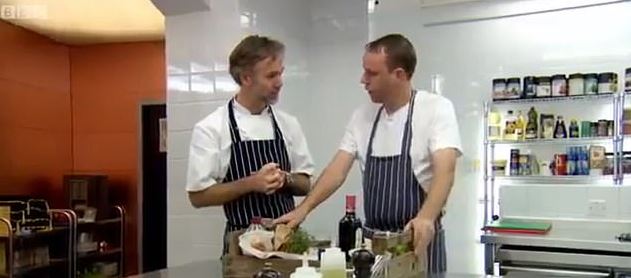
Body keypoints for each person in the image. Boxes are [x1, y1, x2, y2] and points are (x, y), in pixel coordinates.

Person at [274, 34, 461, 273]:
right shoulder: (362, 116)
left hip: (418, 242)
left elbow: (445, 169)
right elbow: (336, 171)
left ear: (399, 75)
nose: (363, 80)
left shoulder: (435, 108)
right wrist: (303, 209)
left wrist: (426, 217)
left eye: (371, 73)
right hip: (375, 248)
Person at [185, 35, 314, 253]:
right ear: (246, 78)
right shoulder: (212, 127)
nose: (280, 82)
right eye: (271, 75)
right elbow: (197, 196)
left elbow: (305, 184)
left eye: (280, 73)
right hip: (240, 246)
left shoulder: (288, 124)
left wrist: (285, 178)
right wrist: (251, 183)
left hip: (286, 241)